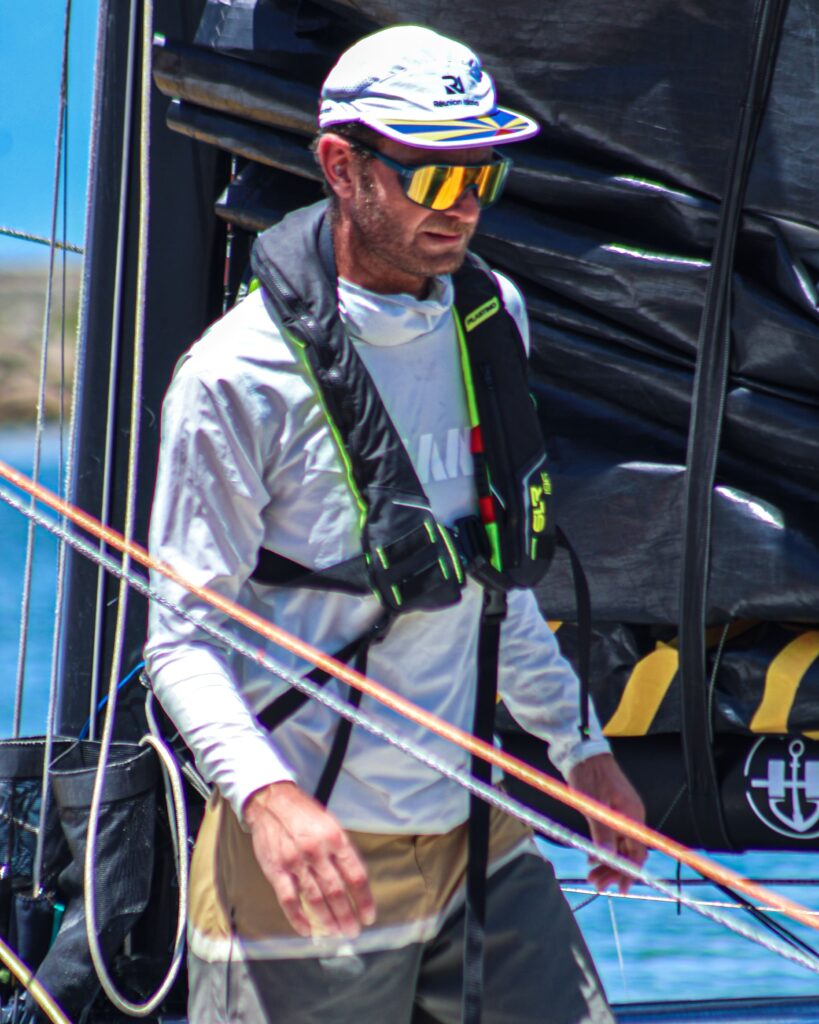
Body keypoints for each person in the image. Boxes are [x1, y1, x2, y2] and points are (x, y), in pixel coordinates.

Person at [145, 23, 646, 1024]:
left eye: (484, 175)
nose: (463, 207)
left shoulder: (490, 319)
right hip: (307, 858)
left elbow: (491, 583)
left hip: (476, 836)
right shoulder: (236, 377)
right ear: (342, 167)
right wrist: (268, 802)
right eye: (435, 176)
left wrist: (578, 745)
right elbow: (181, 644)